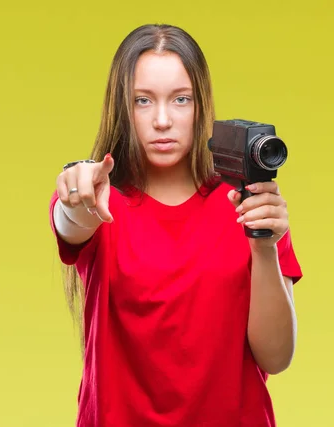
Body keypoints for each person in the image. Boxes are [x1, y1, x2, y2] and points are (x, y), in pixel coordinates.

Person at [48, 23, 303, 427]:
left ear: (200, 105)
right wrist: (74, 195)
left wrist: (264, 246)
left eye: (180, 99)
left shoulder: (250, 204)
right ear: (122, 108)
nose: (163, 120)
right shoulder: (98, 198)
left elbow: (276, 356)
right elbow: (71, 221)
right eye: (143, 101)